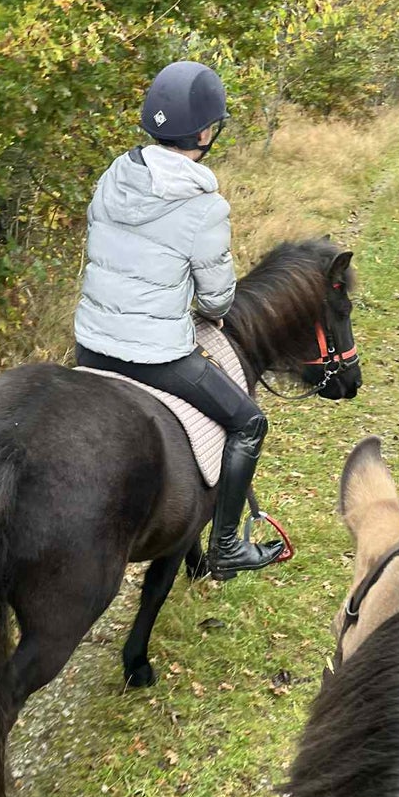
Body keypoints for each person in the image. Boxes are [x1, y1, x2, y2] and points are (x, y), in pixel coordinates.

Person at [74, 60, 284, 579]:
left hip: (90, 346)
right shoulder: (204, 206)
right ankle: (228, 546)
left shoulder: (113, 176)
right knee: (249, 423)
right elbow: (216, 301)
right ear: (207, 131)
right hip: (156, 358)